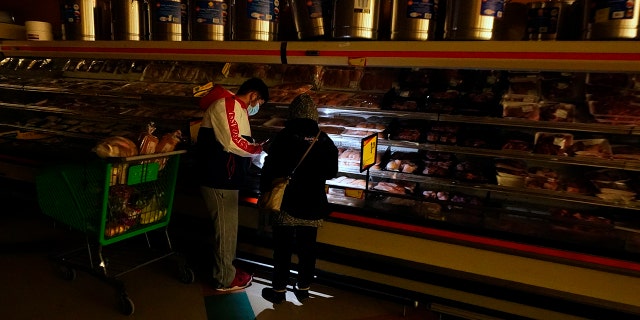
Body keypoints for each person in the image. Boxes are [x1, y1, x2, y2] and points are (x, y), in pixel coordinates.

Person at [259, 93, 339, 304]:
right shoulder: (324, 139)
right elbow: (332, 171)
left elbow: (270, 167)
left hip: (286, 202)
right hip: (313, 203)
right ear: (314, 115)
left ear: (292, 113)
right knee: (308, 248)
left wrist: (264, 190)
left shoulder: (284, 136)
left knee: (282, 249)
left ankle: (278, 291)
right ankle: (303, 287)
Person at [195, 77, 269, 291]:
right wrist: (257, 150)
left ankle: (228, 270)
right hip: (218, 178)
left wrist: (258, 156)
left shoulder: (238, 109)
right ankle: (224, 279)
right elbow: (231, 142)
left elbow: (239, 142)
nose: (257, 107)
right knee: (226, 230)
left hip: (228, 178)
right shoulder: (226, 105)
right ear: (254, 94)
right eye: (260, 102)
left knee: (229, 229)